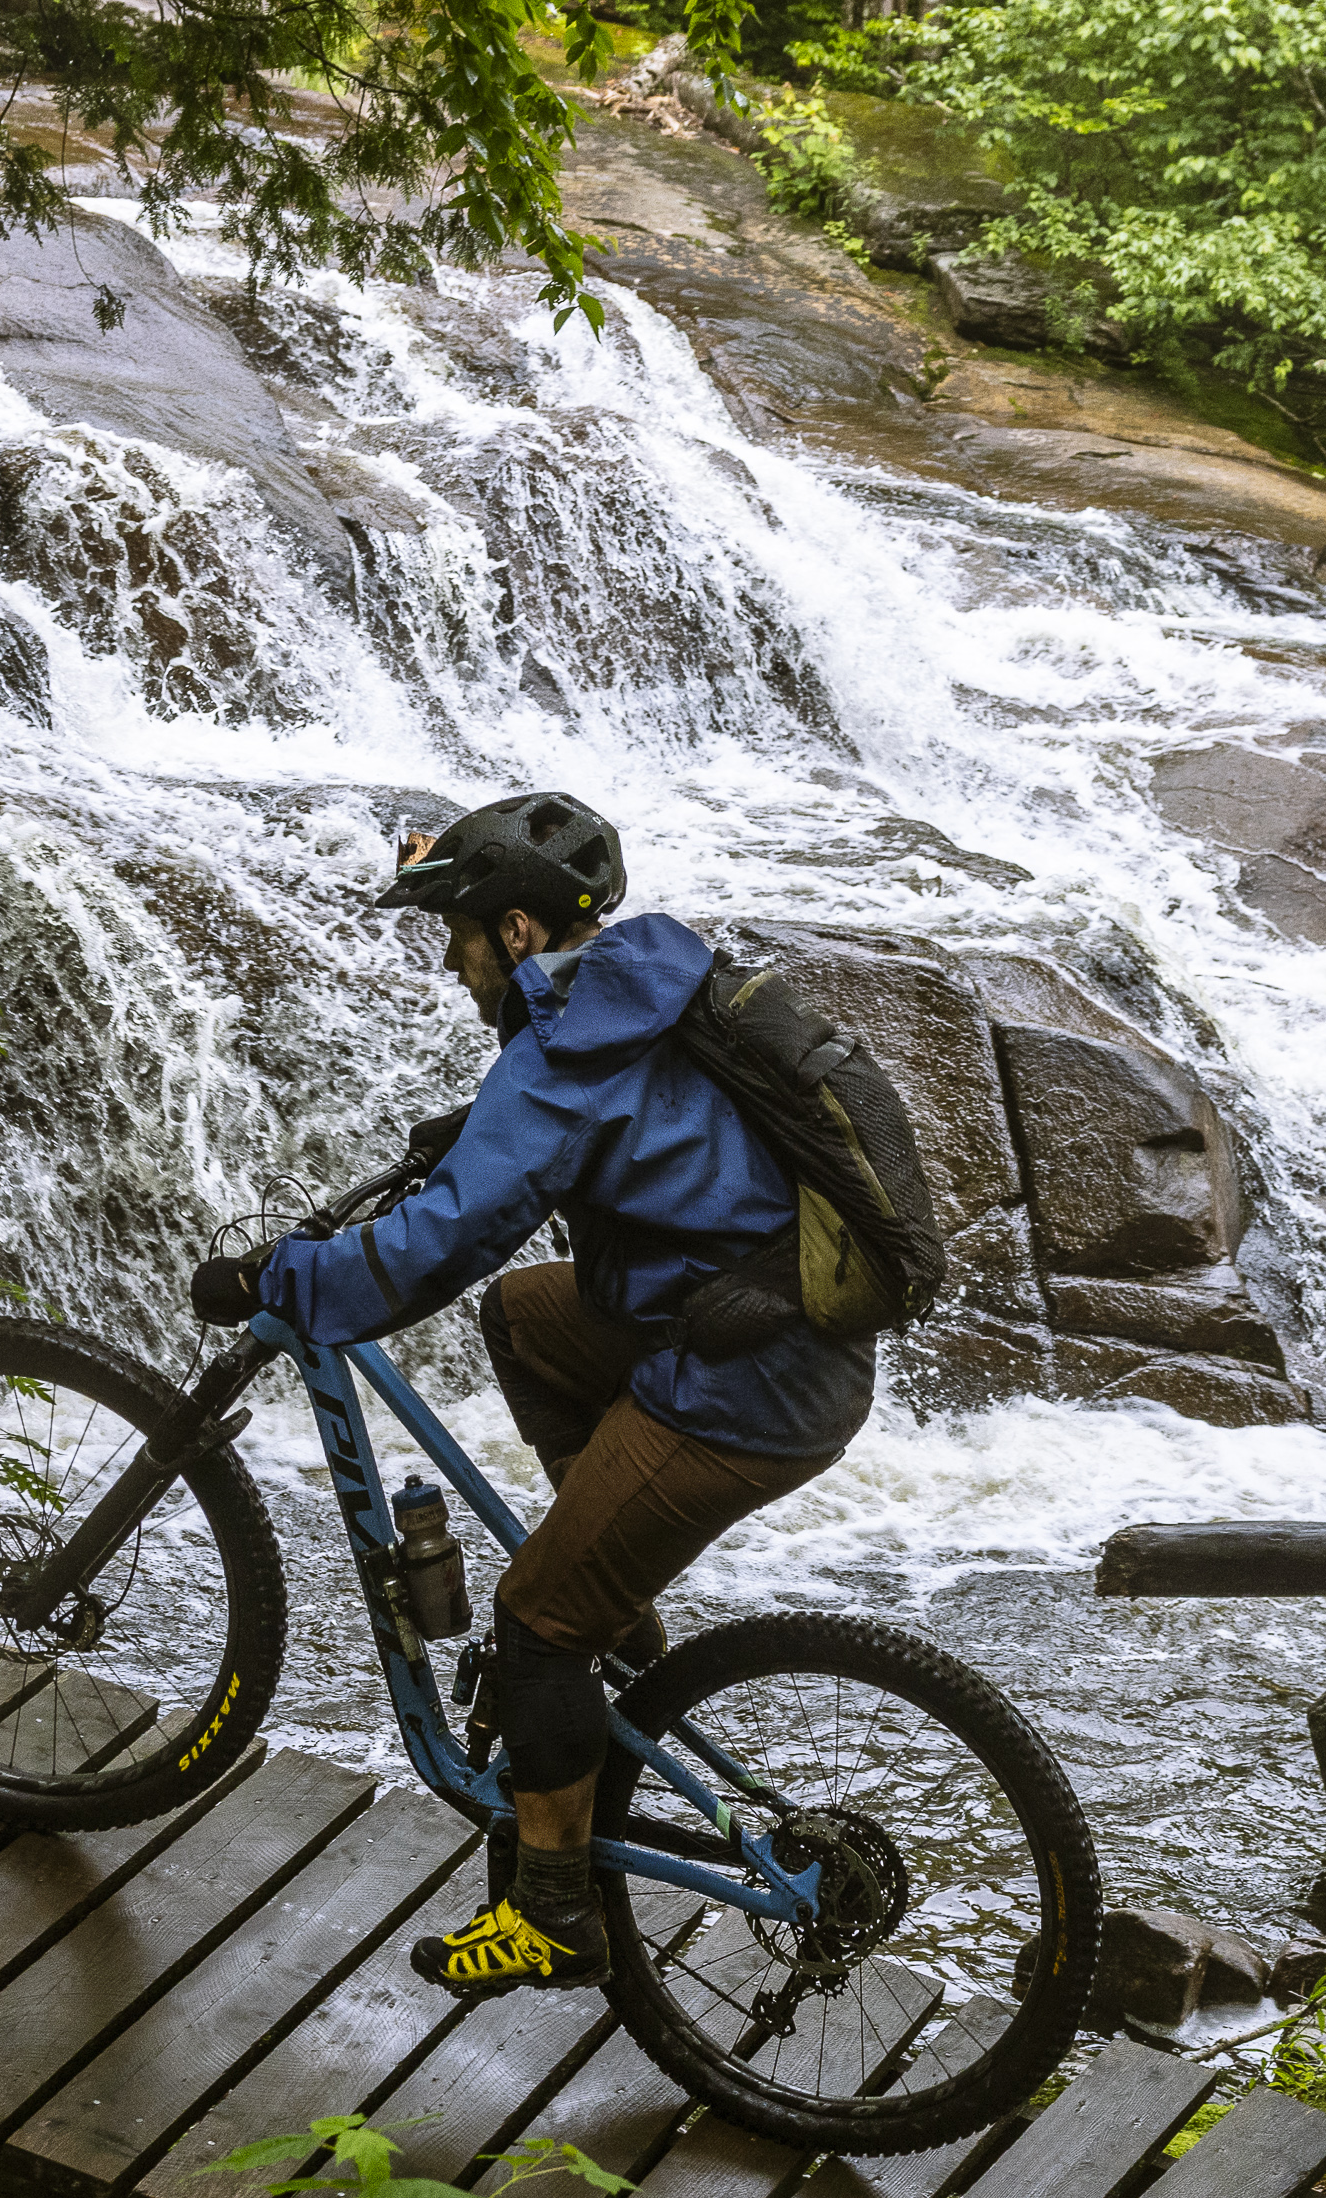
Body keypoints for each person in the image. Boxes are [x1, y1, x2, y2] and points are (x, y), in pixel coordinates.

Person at [190, 792, 875, 2000]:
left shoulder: (559, 1056)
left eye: (453, 933)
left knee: (536, 1618)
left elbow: (434, 1247)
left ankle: (553, 1911)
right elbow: (629, 1126)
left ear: (512, 931)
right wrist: (479, 1128)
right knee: (524, 1314)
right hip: (746, 1326)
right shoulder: (635, 984)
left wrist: (283, 1275)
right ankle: (611, 1608)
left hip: (746, 1384)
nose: (447, 962)